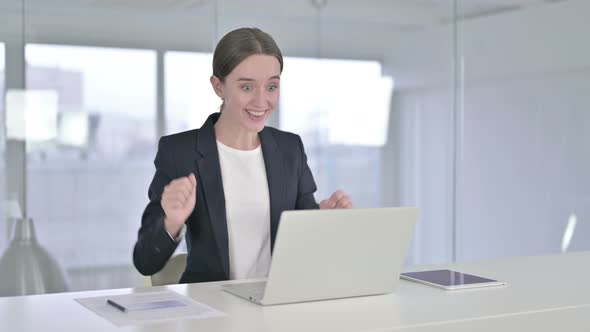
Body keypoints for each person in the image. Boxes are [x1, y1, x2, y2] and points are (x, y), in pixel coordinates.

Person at [133, 27, 353, 284]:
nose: (262, 101)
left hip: (278, 304)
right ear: (218, 86)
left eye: (271, 86)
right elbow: (145, 261)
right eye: (247, 87)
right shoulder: (180, 153)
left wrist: (323, 222)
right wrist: (172, 221)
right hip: (212, 311)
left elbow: (304, 244)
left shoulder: (289, 149)